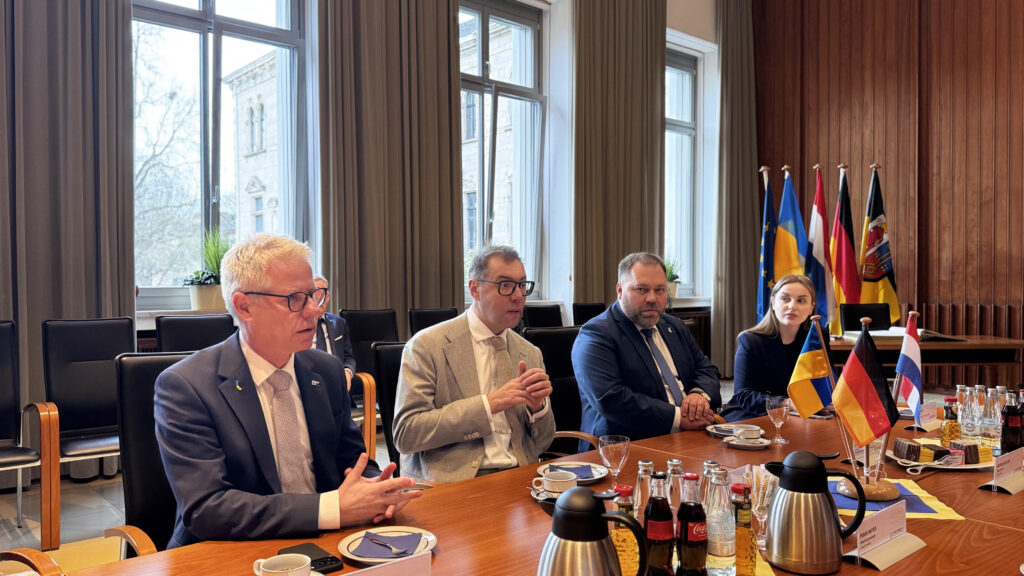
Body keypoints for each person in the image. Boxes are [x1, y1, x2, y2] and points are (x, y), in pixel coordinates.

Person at [154, 234, 419, 547]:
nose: (314, 311)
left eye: (314, 295)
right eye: (295, 299)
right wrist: (331, 509)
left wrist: (375, 489)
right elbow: (207, 508)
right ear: (244, 306)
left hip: (327, 542)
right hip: (228, 551)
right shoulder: (186, 386)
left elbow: (352, 461)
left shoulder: (326, 370)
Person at [393, 245, 555, 483]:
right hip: (454, 483)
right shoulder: (427, 346)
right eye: (505, 285)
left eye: (522, 285)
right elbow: (406, 433)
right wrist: (489, 405)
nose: (518, 296)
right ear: (474, 289)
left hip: (521, 477)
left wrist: (537, 409)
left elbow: (543, 442)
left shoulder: (529, 353)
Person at [573, 253, 721, 446]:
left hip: (690, 436)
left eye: (660, 290)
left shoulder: (675, 327)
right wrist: (679, 418)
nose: (652, 298)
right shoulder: (596, 334)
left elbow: (706, 369)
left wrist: (698, 396)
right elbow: (612, 400)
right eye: (641, 289)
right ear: (620, 290)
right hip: (628, 446)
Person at [720, 274, 819, 422]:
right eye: (785, 299)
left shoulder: (816, 340)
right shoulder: (750, 341)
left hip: (801, 417)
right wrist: (785, 403)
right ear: (773, 302)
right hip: (753, 415)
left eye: (801, 300)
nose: (792, 306)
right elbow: (743, 395)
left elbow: (824, 384)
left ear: (811, 308)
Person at [312, 274, 357, 391]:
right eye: (314, 295)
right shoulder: (299, 324)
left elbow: (348, 357)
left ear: (327, 297)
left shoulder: (339, 323)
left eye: (321, 295)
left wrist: (347, 373)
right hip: (311, 382)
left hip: (337, 382)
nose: (318, 299)